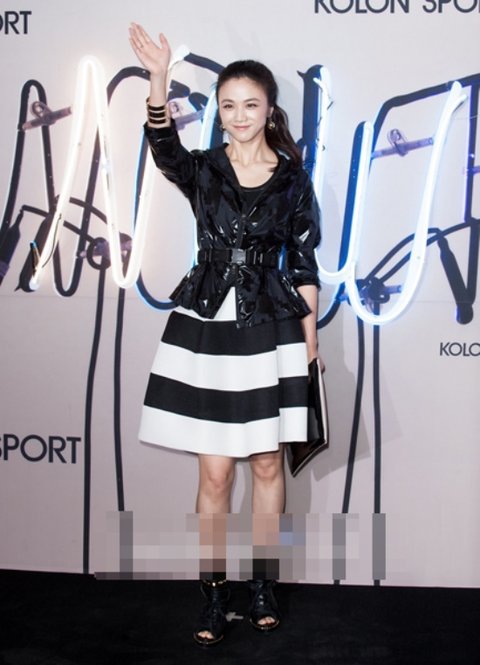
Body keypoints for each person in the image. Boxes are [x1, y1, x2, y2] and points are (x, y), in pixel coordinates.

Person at [129, 22, 322, 646]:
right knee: (214, 474)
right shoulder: (204, 170)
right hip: (208, 325)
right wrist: (158, 78)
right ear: (219, 110)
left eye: (251, 105)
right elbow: (163, 147)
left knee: (267, 463)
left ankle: (263, 583)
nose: (239, 116)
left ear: (270, 110)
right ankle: (213, 593)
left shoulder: (292, 178)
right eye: (229, 105)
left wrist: (310, 342)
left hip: (271, 326)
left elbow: (305, 262)